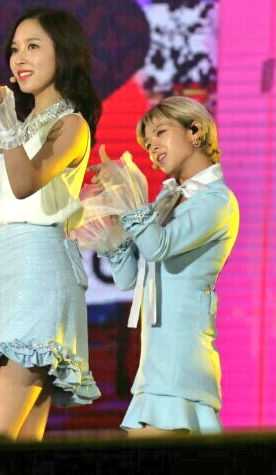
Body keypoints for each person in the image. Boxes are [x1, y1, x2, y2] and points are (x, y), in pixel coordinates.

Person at [0, 7, 102, 456]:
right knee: (19, 454)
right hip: (15, 276)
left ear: (63, 54)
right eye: (14, 49)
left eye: (33, 46)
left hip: (41, 272)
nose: (19, 59)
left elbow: (27, 183)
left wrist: (5, 120)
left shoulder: (71, 124)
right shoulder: (16, 128)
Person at [97, 96, 239, 436]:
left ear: (195, 131)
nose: (153, 148)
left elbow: (159, 246)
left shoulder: (217, 200)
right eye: (147, 144)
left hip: (183, 359)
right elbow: (128, 279)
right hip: (153, 363)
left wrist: (131, 199)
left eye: (161, 133)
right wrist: (115, 218)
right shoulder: (166, 200)